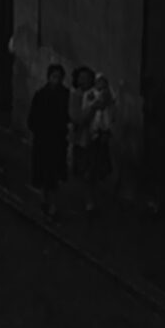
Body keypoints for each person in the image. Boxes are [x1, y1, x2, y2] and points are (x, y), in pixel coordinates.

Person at [27, 64, 70, 219]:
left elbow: (68, 115)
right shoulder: (41, 95)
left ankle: (52, 203)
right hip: (43, 140)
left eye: (59, 77)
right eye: (54, 77)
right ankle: (44, 199)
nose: (56, 81)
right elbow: (32, 118)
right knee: (43, 172)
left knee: (54, 174)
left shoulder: (65, 95)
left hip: (57, 141)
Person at [70, 66, 110, 216]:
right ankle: (89, 200)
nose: (84, 81)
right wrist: (93, 108)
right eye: (81, 78)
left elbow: (108, 108)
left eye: (87, 78)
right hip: (82, 139)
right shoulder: (76, 95)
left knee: (94, 170)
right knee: (85, 171)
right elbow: (78, 118)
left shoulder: (96, 93)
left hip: (95, 139)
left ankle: (92, 198)